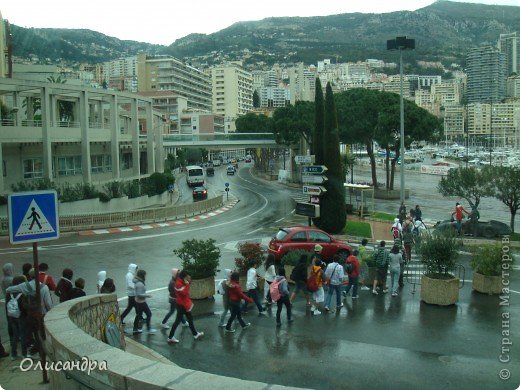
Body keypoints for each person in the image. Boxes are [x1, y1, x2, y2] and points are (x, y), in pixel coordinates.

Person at [7, 269, 53, 356]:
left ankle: (30, 352)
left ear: (29, 276)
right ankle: (40, 352)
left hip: (29, 314)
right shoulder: (44, 287)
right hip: (41, 314)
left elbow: (9, 289)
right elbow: (48, 304)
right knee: (41, 334)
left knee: (32, 333)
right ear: (38, 276)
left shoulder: (24, 286)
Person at [167, 270, 204, 343]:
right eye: (188, 275)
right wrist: (187, 284)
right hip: (181, 305)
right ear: (185, 276)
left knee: (189, 319)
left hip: (183, 304)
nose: (189, 277)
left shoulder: (181, 281)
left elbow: (186, 287)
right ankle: (170, 337)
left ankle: (195, 334)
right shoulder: (178, 283)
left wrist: (188, 282)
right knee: (177, 321)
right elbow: (184, 293)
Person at [7, 275, 28, 360]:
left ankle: (14, 354)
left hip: (12, 316)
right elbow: (24, 306)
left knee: (15, 335)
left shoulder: (9, 292)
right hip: (21, 316)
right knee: (23, 335)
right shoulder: (22, 292)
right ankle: (24, 354)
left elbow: (7, 304)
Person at [133, 269, 156, 334]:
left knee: (139, 315)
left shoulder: (138, 282)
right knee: (149, 314)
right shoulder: (140, 283)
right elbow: (139, 294)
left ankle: (136, 328)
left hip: (138, 301)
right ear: (142, 275)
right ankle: (148, 328)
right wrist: (147, 295)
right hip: (141, 302)